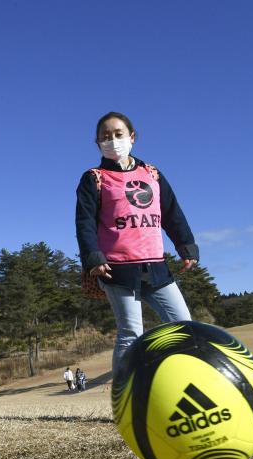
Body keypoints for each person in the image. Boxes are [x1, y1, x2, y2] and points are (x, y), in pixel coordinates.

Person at [75, 112, 199, 377]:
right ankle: (125, 401)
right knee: (131, 333)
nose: (112, 140)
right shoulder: (94, 178)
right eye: (105, 136)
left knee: (184, 327)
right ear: (97, 142)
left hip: (156, 266)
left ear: (132, 137)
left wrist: (186, 245)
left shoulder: (152, 173)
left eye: (118, 134)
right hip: (117, 268)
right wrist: (93, 258)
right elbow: (84, 222)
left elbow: (171, 212)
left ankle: (188, 386)